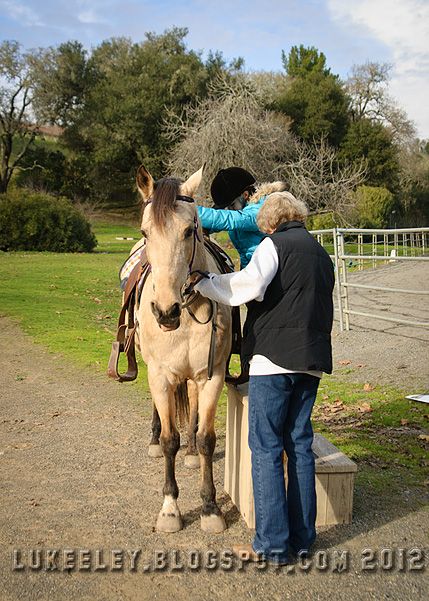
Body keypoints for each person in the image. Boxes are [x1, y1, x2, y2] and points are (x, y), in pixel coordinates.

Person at [192, 191, 335, 565]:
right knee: (299, 447)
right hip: (312, 362)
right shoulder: (322, 254)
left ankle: (271, 545)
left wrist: (206, 283)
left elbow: (247, 287)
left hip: (273, 361)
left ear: (270, 222)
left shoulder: (274, 245)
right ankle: (303, 541)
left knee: (268, 449)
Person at [197, 167, 287, 269]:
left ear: (245, 195)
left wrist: (191, 211)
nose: (228, 210)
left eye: (231, 205)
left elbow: (230, 219)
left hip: (276, 273)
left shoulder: (263, 210)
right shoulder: (239, 211)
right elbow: (217, 222)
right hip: (255, 272)